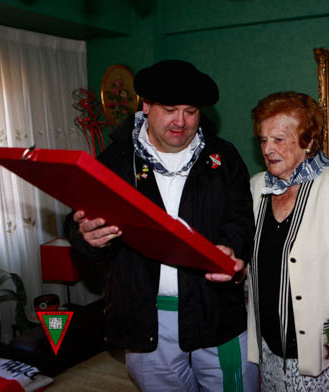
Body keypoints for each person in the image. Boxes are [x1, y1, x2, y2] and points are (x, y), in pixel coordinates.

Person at [64, 60, 258, 391]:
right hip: (145, 319)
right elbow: (77, 222)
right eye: (170, 110)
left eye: (190, 111)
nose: (181, 121)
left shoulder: (223, 157)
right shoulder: (115, 161)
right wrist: (87, 236)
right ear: (146, 106)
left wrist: (231, 247)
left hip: (215, 312)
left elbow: (241, 218)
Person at [246, 92, 329, 390]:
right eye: (263, 140)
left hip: (323, 354)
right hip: (269, 350)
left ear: (308, 140)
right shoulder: (256, 187)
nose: (268, 149)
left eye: (279, 139)